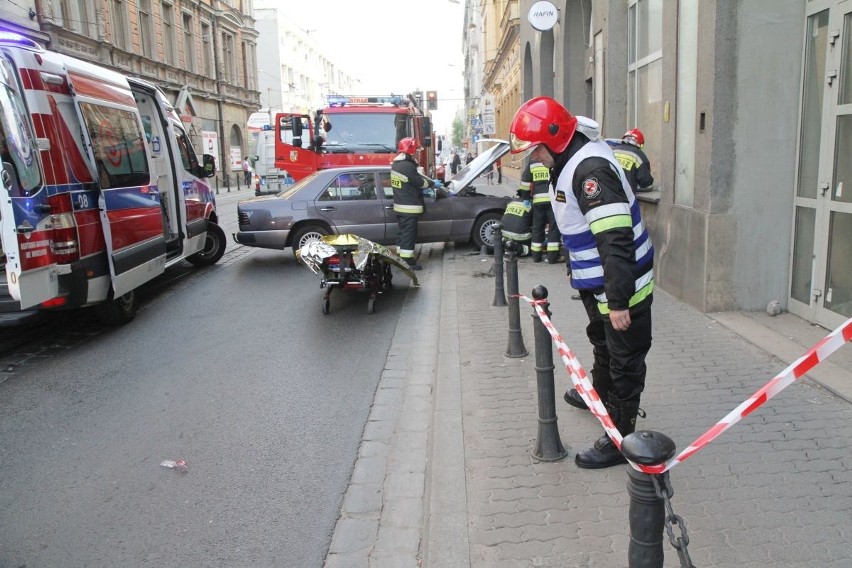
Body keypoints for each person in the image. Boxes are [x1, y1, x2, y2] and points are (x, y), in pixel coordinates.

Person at [509, 96, 654, 469]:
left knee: (625, 361)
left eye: (535, 150)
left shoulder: (590, 171)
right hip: (601, 282)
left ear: (554, 139)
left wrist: (619, 300)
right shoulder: (569, 159)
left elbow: (615, 237)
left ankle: (620, 439)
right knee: (602, 344)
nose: (533, 158)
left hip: (621, 286)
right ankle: (599, 399)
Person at [391, 137, 436, 271]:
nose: (417, 152)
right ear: (410, 149)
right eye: (416, 149)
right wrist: (433, 183)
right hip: (409, 206)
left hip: (400, 205)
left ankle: (400, 257)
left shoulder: (397, 164)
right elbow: (420, 183)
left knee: (403, 234)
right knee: (409, 235)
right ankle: (407, 261)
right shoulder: (407, 166)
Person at [517, 158, 561, 264]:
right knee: (553, 228)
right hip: (552, 201)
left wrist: (526, 198)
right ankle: (552, 257)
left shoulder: (532, 162)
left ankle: (536, 256)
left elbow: (525, 183)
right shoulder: (552, 160)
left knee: (537, 228)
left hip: (538, 202)